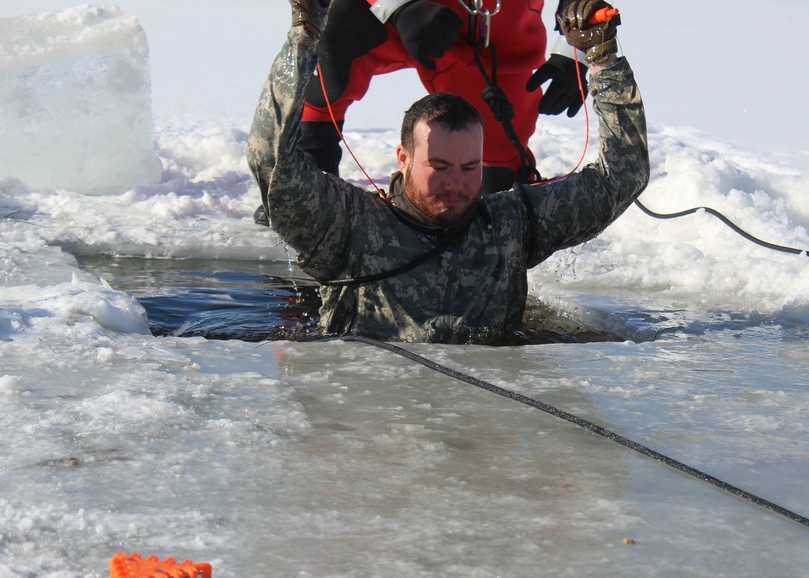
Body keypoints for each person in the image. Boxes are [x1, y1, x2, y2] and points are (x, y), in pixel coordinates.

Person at [247, 0, 648, 344]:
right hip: (374, 414)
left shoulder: (512, 226)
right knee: (339, 34)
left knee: (505, 165)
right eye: (438, 167)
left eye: (469, 167)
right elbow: (272, 162)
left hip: (496, 29)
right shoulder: (347, 226)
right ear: (402, 158)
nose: (456, 185)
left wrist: (599, 59)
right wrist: (304, 36)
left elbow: (622, 177)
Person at [299, 0, 588, 194]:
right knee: (331, 58)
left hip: (496, 44)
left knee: (498, 174)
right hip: (390, 19)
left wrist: (576, 49)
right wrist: (401, 6)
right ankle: (306, 183)